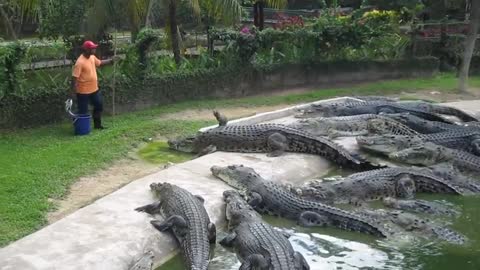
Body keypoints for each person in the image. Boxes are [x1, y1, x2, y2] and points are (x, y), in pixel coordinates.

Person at [71, 40, 116, 130]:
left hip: (94, 89)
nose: (94, 50)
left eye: (94, 48)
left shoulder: (92, 57)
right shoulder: (80, 62)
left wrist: (111, 60)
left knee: (99, 105)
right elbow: (74, 78)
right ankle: (82, 128)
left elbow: (99, 63)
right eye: (92, 48)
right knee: (83, 111)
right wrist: (73, 92)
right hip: (83, 92)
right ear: (86, 50)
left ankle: (97, 125)